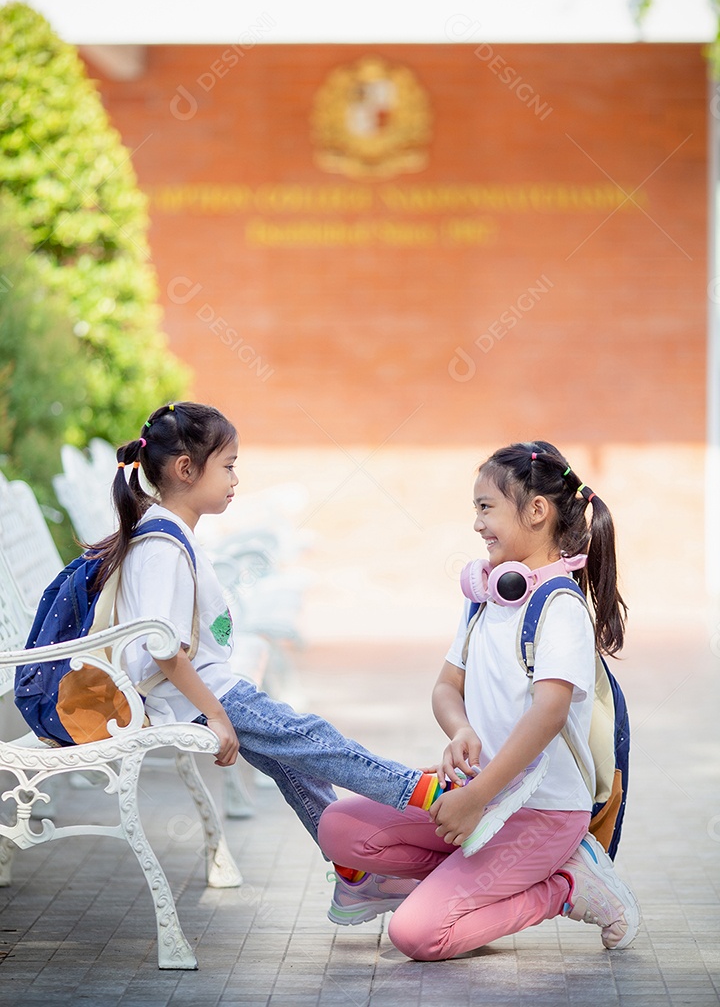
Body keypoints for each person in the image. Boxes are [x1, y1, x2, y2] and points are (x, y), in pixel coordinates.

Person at [95, 401, 458, 878]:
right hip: (200, 696)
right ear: (186, 469)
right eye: (228, 466)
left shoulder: (167, 533)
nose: (235, 480)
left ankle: (352, 873)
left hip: (200, 690)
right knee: (310, 738)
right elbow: (164, 648)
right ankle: (416, 789)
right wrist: (219, 715)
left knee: (294, 765)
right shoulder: (162, 544)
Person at [318, 440, 641, 959]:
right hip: (480, 796)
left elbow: (548, 712)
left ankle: (571, 885)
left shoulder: (559, 607)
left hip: (541, 812)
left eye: (486, 507)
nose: (476, 524)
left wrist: (473, 798)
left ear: (537, 510)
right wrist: (461, 731)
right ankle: (461, 885)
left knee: (417, 935)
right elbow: (446, 687)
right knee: (338, 826)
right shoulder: (489, 599)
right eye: (476, 509)